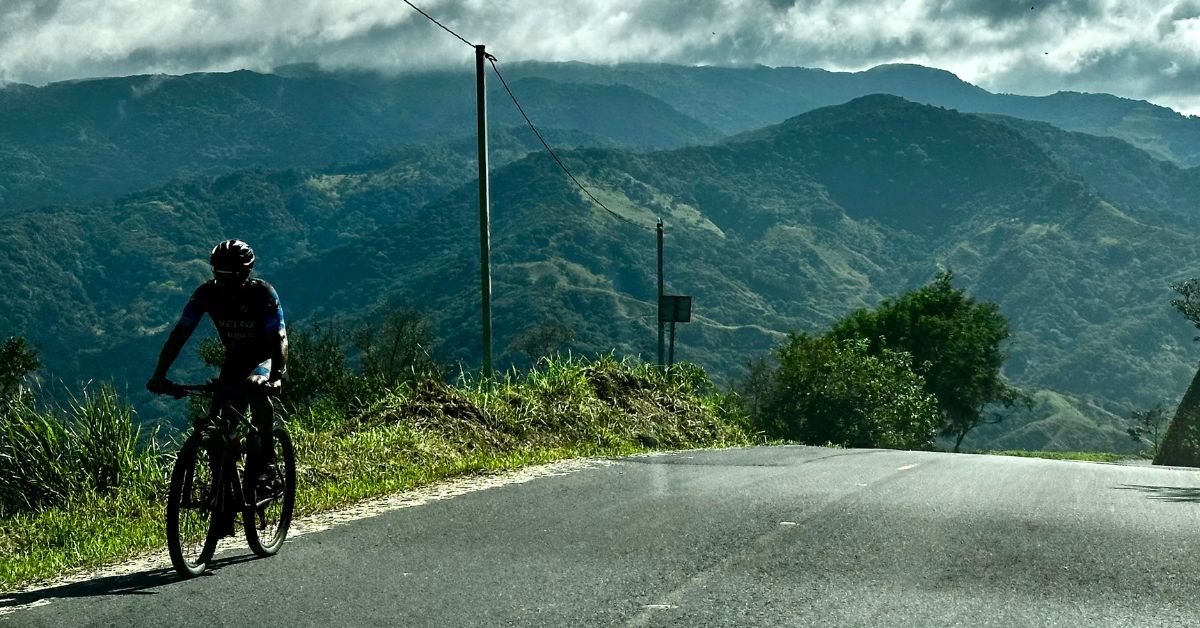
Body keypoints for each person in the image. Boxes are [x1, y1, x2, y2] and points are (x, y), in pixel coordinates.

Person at [147, 239, 288, 490]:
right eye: (219, 274)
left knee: (255, 386)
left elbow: (279, 337)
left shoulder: (262, 293)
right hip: (235, 360)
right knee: (216, 431)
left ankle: (267, 457)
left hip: (264, 357)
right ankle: (223, 499)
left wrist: (276, 376)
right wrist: (160, 374)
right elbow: (180, 334)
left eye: (232, 274)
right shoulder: (206, 293)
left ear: (246, 272)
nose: (225, 281)